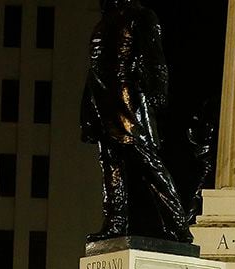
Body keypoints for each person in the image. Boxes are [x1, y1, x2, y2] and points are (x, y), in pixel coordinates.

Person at [81, 0, 192, 243]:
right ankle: (115, 223)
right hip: (101, 98)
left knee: (146, 161)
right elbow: (96, 66)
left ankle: (177, 224)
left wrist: (157, 93)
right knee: (111, 165)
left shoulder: (140, 16)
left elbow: (155, 57)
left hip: (127, 98)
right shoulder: (106, 19)